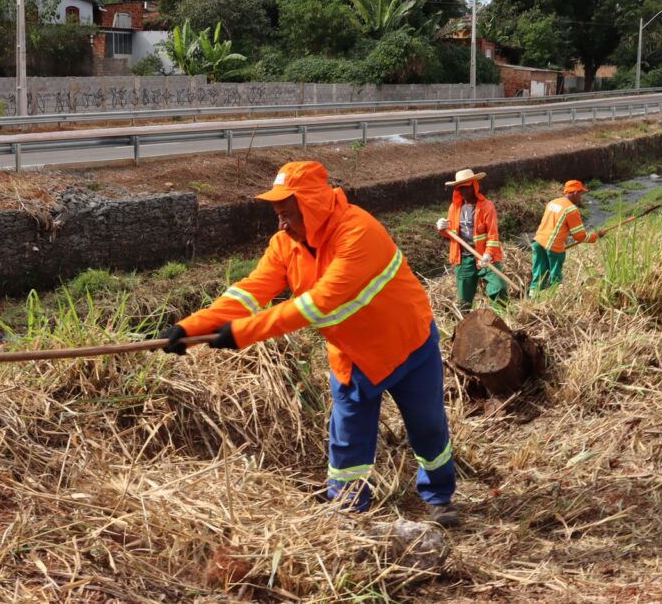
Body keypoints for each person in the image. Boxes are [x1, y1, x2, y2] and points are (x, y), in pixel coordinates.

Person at [161, 161, 458, 527]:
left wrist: (241, 334)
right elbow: (250, 291)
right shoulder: (286, 244)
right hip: (354, 357)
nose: (282, 224)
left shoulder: (358, 233)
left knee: (428, 426)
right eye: (277, 214)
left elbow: (318, 304)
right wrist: (191, 329)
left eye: (288, 213)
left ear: (313, 206)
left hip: (408, 345)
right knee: (348, 440)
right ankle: (348, 513)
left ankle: (439, 498)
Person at [435, 169, 507, 312]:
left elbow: (493, 235)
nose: (463, 191)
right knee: (464, 300)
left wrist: (488, 254)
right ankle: (466, 324)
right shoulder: (454, 208)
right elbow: (451, 233)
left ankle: (502, 319)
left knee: (499, 289)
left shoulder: (487, 207)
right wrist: (442, 228)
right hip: (464, 259)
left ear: (474, 186)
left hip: (485, 257)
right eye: (460, 188)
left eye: (466, 187)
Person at [529, 180, 601, 296]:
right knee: (555, 277)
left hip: (538, 242)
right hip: (553, 246)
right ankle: (554, 300)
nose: (580, 198)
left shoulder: (553, 203)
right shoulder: (571, 210)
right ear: (575, 192)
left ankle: (533, 298)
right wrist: (596, 236)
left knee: (539, 273)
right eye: (580, 195)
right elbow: (579, 236)